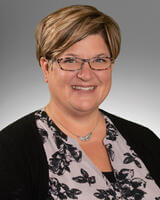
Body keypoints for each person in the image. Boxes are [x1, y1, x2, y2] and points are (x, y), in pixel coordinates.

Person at [0, 4, 160, 200]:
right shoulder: (10, 150)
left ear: (111, 66)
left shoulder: (146, 140)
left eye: (100, 60)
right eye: (70, 60)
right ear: (46, 67)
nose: (86, 74)